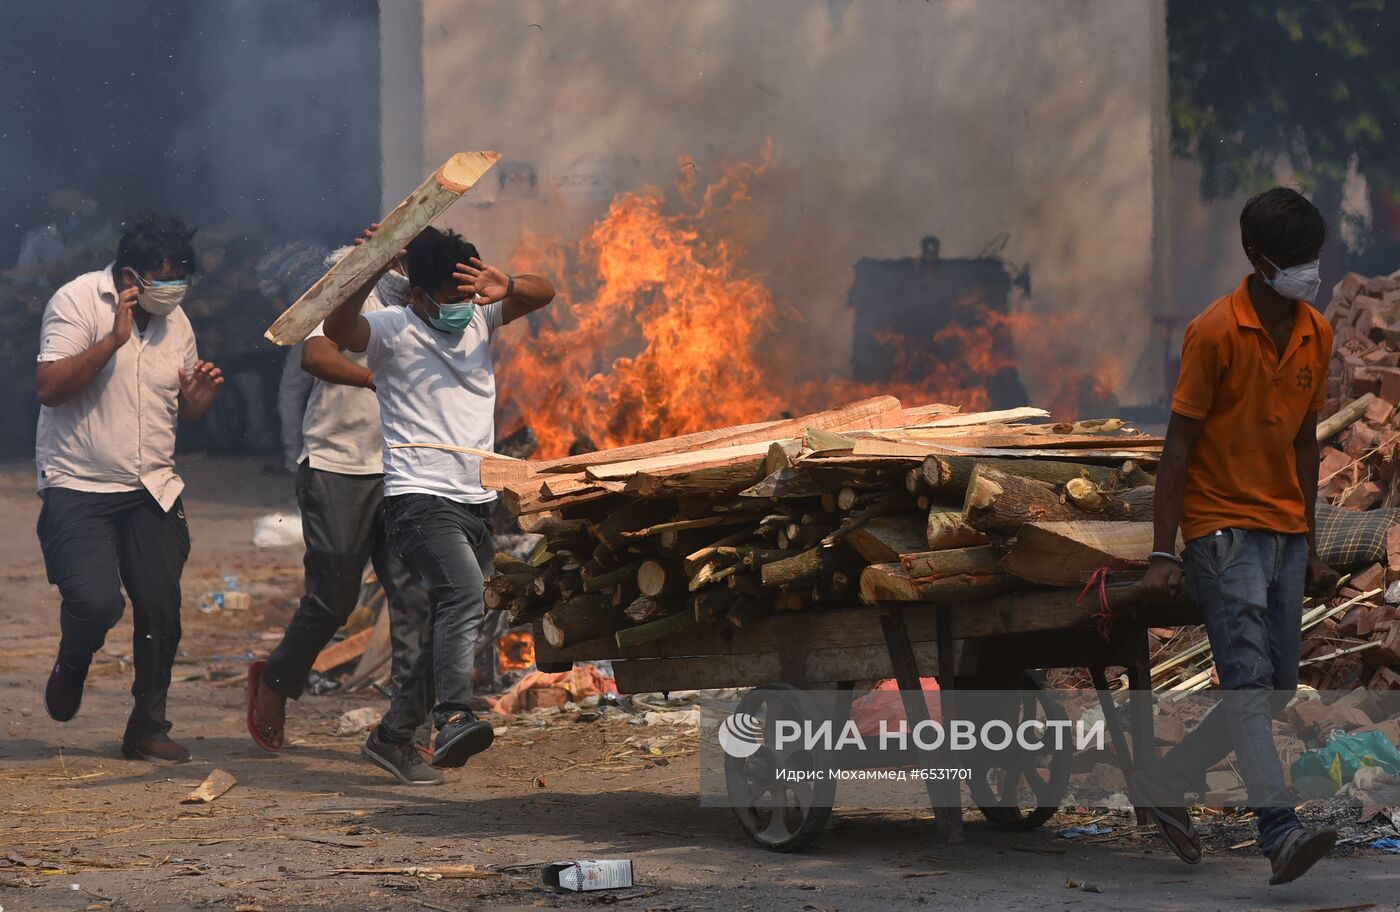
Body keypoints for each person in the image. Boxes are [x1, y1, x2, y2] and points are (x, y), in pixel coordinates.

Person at [1137, 187, 1342, 884]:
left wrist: (1310, 543)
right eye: (1295, 260)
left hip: (1284, 531)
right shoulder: (1214, 331)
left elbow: (1307, 447)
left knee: (1275, 691)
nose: (1308, 270)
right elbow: (1178, 446)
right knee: (1249, 681)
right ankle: (1278, 830)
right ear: (1258, 260)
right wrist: (1166, 551)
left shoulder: (1317, 331)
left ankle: (1169, 779)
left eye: (1313, 257)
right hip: (1222, 532)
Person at [323, 225, 554, 781]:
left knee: (463, 613)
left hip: (474, 497)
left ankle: (392, 736)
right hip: (419, 499)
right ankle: (451, 713)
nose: (462, 310)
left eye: (468, 296)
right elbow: (337, 328)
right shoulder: (393, 328)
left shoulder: (480, 314)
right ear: (419, 294)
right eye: (449, 300)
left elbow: (544, 291)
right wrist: (374, 265)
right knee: (463, 593)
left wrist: (510, 282)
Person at [35, 213, 223, 763]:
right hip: (78, 482)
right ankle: (74, 658)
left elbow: (182, 407)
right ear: (128, 276)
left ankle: (146, 725)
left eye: (181, 278)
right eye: (163, 278)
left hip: (153, 487)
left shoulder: (177, 321)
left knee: (161, 608)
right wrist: (113, 341)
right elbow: (49, 388)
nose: (173, 289)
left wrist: (199, 402)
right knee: (95, 603)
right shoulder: (75, 301)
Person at [246, 254, 436, 783]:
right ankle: (277, 679)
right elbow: (315, 354)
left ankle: (405, 732)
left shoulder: (439, 292)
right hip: (339, 463)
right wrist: (375, 378)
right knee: (333, 597)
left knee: (415, 596)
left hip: (409, 465)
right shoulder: (350, 276)